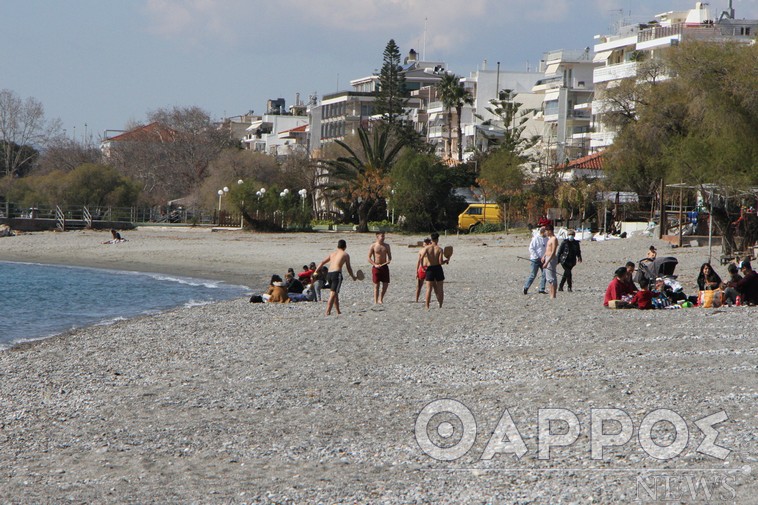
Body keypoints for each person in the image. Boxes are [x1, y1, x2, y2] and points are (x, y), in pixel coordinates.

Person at [316, 239, 357, 316]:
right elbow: (348, 267)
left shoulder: (332, 254)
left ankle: (338, 311)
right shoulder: (345, 254)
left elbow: (322, 262)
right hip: (336, 274)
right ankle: (327, 311)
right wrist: (353, 276)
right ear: (345, 247)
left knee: (335, 293)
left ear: (337, 246)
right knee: (333, 293)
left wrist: (315, 272)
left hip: (329, 274)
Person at [419, 232, 448, 309]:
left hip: (430, 268)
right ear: (437, 239)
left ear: (431, 239)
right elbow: (440, 262)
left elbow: (421, 258)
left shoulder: (427, 248)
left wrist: (422, 267)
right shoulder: (439, 249)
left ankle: (427, 306)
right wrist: (446, 260)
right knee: (440, 288)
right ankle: (440, 305)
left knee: (429, 288)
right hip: (438, 268)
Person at [368, 231, 392, 304]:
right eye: (382, 236)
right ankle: (375, 301)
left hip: (384, 266)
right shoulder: (373, 246)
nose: (383, 238)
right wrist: (375, 264)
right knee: (376, 285)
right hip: (376, 267)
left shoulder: (387, 246)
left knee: (385, 284)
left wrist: (388, 261)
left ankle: (380, 299)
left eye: (384, 236)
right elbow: (369, 258)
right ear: (377, 236)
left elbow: (390, 257)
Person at [523, 227, 547, 295]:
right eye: (546, 231)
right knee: (533, 275)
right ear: (542, 232)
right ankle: (526, 287)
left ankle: (542, 289)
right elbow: (531, 248)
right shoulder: (536, 238)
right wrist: (537, 257)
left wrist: (544, 257)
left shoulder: (547, 239)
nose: (547, 233)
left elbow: (547, 249)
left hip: (543, 260)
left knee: (545, 274)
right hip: (535, 259)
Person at [542, 224, 559, 299]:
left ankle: (553, 294)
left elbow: (553, 252)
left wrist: (547, 262)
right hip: (547, 257)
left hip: (551, 259)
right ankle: (551, 294)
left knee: (552, 278)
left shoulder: (554, 239)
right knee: (548, 278)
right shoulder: (549, 239)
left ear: (550, 231)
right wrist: (544, 256)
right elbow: (547, 250)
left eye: (546, 231)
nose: (546, 232)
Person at [415, 237, 432, 303]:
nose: (426, 243)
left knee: (430, 285)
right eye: (425, 242)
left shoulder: (431, 250)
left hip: (429, 267)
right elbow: (419, 261)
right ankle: (416, 299)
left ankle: (428, 299)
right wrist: (417, 270)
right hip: (422, 268)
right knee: (419, 285)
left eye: (428, 242)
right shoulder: (421, 250)